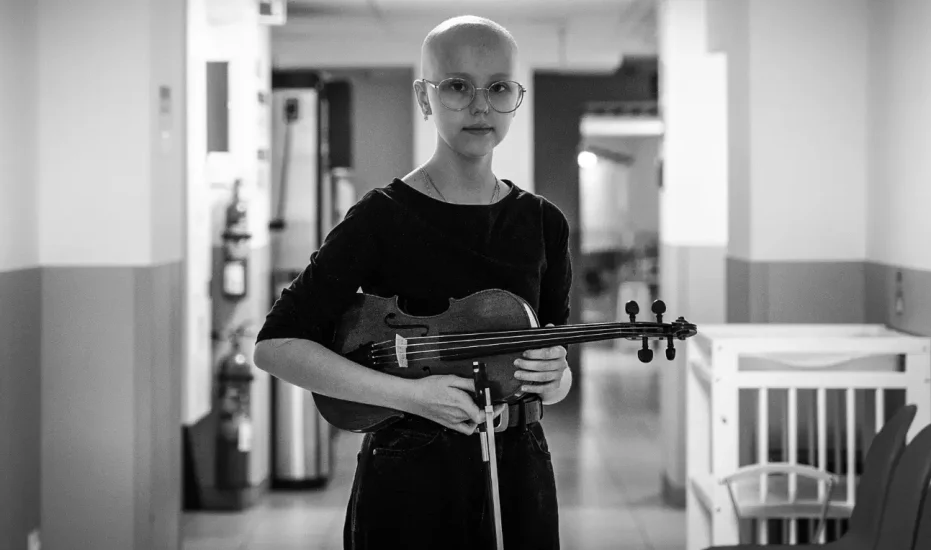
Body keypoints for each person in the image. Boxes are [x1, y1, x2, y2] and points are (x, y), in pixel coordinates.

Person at [252, 14, 573, 549]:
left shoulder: (544, 223)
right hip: (409, 476)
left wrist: (556, 377)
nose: (480, 106)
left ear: (515, 98)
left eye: (498, 88)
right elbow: (276, 346)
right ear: (425, 98)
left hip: (519, 471)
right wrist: (413, 396)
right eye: (457, 86)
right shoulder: (381, 216)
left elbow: (556, 370)